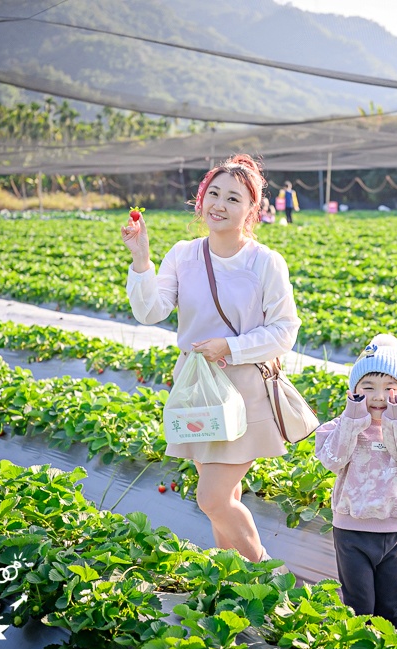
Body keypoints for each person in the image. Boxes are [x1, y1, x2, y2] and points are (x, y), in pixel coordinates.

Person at [120, 154, 301, 565]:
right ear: (201, 200)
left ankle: (266, 576)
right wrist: (141, 259)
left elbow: (285, 330)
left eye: (233, 198)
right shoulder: (184, 255)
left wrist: (230, 346)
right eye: (213, 193)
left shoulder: (264, 262)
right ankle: (230, 577)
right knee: (225, 496)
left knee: (212, 497)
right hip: (197, 387)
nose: (219, 204)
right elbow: (151, 311)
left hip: (246, 388)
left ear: (252, 210)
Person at [314, 334, 397, 627]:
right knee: (360, 607)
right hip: (351, 531)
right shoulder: (339, 427)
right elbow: (332, 460)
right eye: (368, 388)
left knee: (391, 607)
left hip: (393, 533)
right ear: (353, 391)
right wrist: (352, 420)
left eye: (390, 388)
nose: (379, 396)